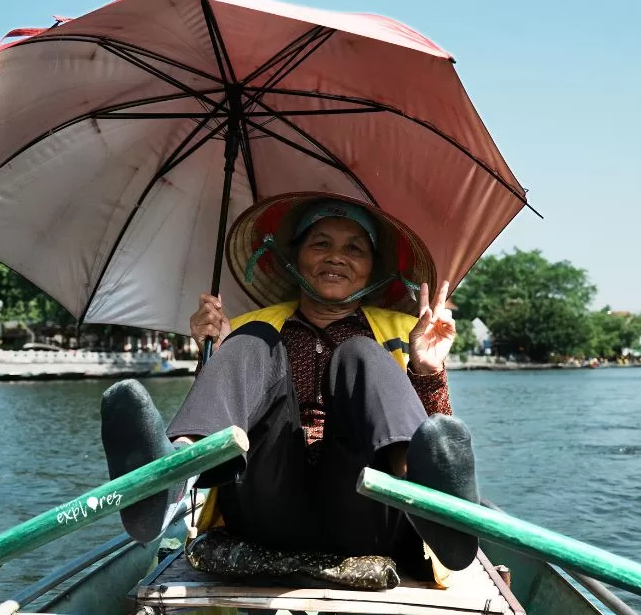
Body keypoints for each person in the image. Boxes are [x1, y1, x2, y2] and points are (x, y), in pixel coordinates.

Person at [101, 193, 481, 584]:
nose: (337, 257)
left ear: (372, 268)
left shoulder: (405, 332)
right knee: (252, 340)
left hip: (369, 507)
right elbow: (225, 414)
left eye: (354, 248)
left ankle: (429, 504)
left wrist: (427, 368)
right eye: (321, 244)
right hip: (267, 508)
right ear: (295, 257)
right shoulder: (248, 327)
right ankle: (170, 479)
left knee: (359, 353)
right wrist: (212, 354)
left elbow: (438, 438)